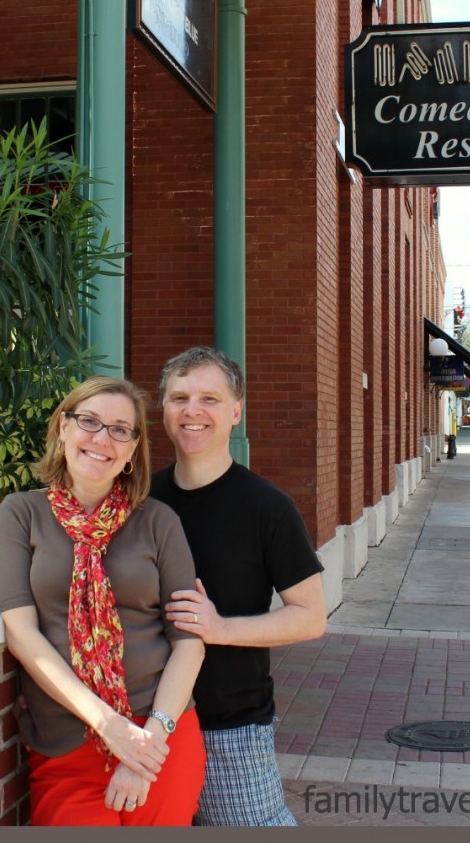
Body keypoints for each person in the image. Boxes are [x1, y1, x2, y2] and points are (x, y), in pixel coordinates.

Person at [0, 376, 206, 826]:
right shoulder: (21, 513)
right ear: (63, 428)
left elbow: (189, 640)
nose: (102, 439)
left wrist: (147, 742)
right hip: (67, 735)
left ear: (131, 451)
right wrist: (108, 726)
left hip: (160, 734)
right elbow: (22, 634)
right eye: (90, 421)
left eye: (120, 430)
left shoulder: (158, 521)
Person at [151, 346, 327, 826]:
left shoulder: (266, 507)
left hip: (229, 724)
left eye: (209, 398)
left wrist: (219, 628)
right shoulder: (141, 501)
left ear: (235, 411)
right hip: (146, 726)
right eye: (179, 397)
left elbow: (311, 617)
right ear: (163, 408)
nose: (192, 410)